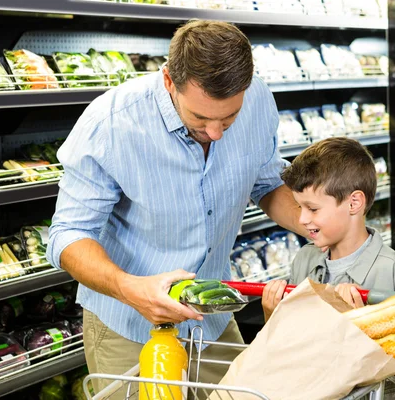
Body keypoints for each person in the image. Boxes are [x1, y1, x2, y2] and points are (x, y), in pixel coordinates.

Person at [47, 20, 306, 396]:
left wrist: (324, 226)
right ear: (169, 81)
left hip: (212, 315)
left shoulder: (259, 100)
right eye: (200, 118)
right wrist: (130, 288)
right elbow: (69, 235)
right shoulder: (111, 123)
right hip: (129, 325)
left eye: (229, 119)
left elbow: (267, 183)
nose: (216, 132)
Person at [261, 137, 395, 400]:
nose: (301, 219)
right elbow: (295, 350)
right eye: (300, 207)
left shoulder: (394, 274)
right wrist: (273, 317)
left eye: (312, 208)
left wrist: (371, 333)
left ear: (354, 203)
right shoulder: (305, 261)